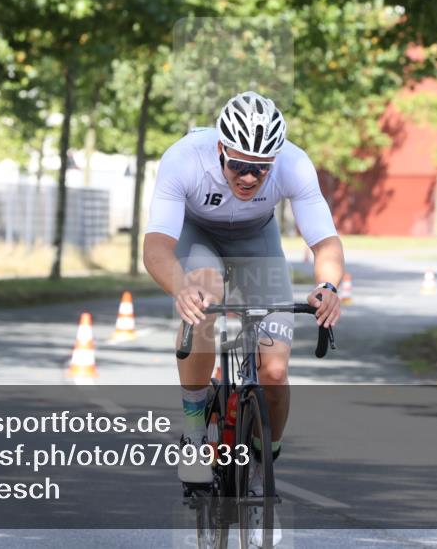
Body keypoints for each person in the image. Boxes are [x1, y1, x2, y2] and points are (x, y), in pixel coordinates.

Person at [142, 91, 346, 494]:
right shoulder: (185, 159)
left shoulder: (294, 163)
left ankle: (263, 453)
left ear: (275, 160)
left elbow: (326, 243)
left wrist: (327, 286)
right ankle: (196, 430)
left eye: (260, 168)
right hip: (199, 235)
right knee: (204, 291)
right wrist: (181, 288)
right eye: (238, 164)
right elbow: (156, 248)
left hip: (257, 239)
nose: (249, 177)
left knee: (274, 370)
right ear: (221, 148)